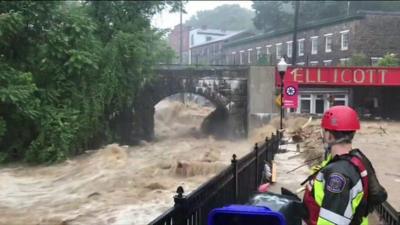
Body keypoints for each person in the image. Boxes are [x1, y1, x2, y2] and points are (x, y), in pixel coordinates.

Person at [301, 105, 385, 225]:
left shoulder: (339, 175)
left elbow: (331, 222)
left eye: (324, 132)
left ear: (329, 136)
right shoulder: (354, 160)